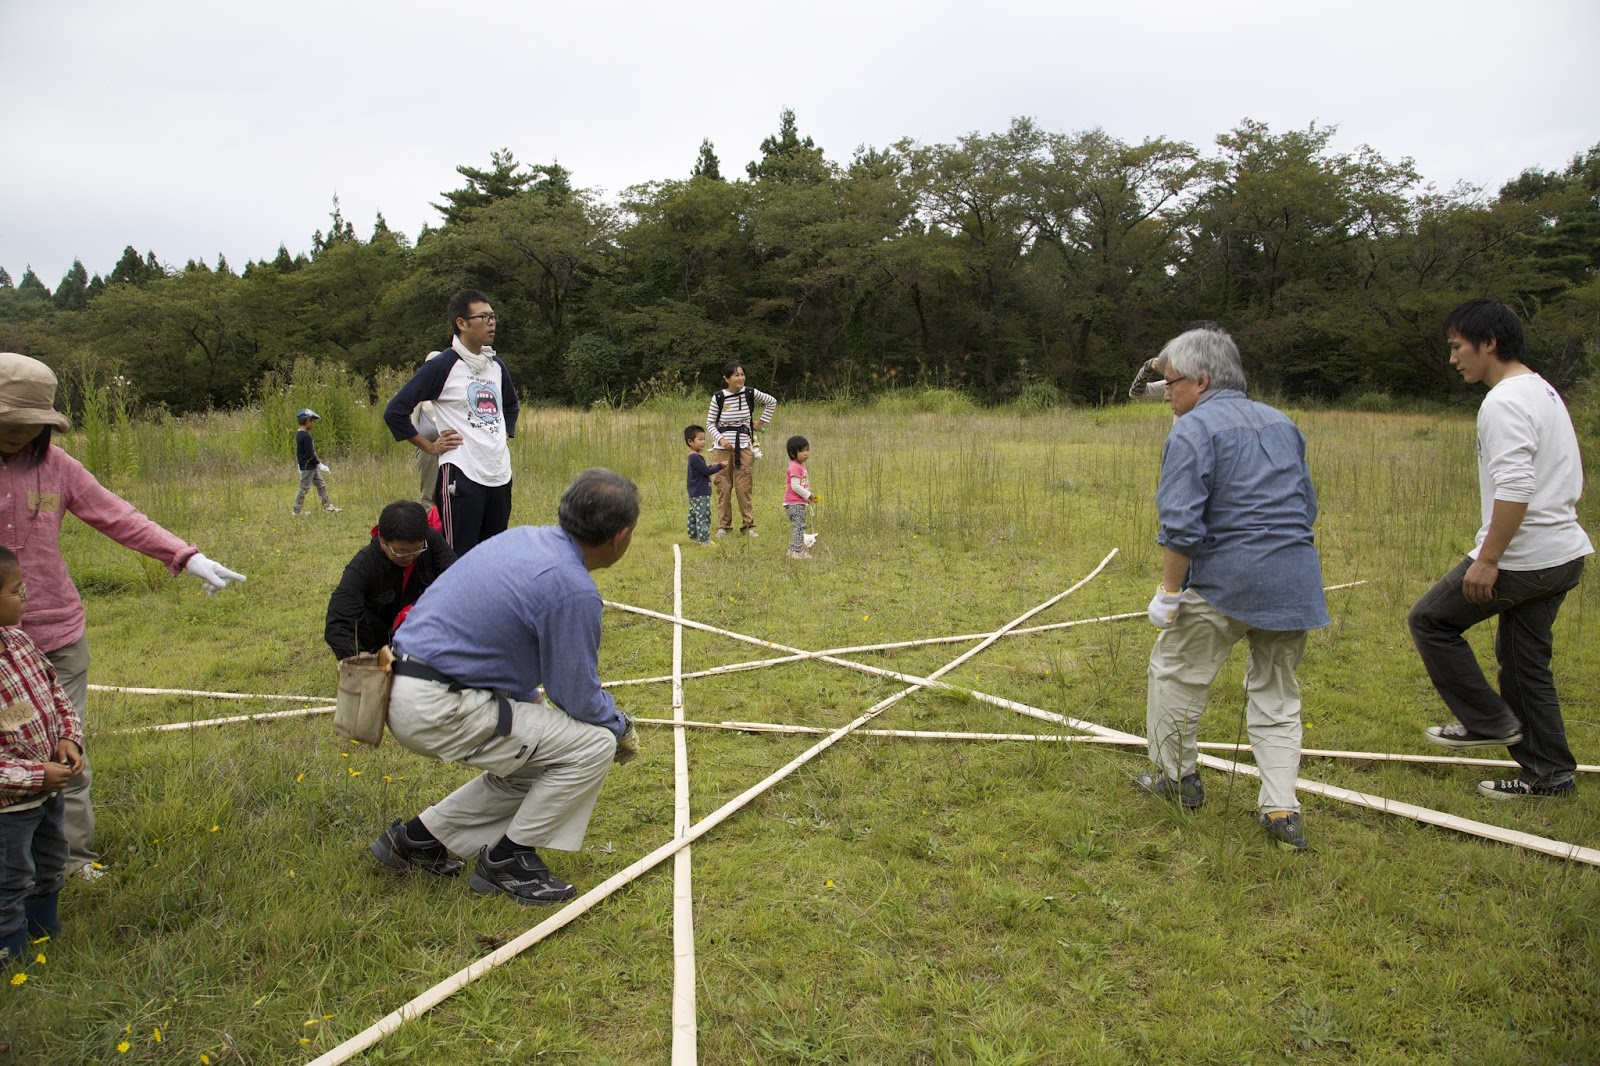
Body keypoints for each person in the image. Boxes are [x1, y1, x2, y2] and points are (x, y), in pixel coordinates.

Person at [0, 353, 244, 880]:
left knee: (67, 750)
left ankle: (70, 860)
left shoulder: (57, 466)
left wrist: (186, 556)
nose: (23, 432)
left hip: (57, 634)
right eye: (13, 421)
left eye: (33, 423)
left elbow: (117, 515)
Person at [370, 469, 642, 905]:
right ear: (621, 537)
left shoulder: (525, 539)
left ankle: (419, 840)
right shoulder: (573, 588)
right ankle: (509, 861)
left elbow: (491, 642)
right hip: (439, 704)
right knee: (593, 745)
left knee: (536, 759)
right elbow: (577, 696)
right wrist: (620, 727)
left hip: (401, 685)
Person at [1136, 327, 1329, 851]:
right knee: (1278, 692)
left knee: (1175, 672)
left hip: (1224, 580)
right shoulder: (1282, 423)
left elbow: (1181, 525)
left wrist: (1168, 594)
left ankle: (1176, 779)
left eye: (1172, 383)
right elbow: (1307, 506)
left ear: (1201, 381)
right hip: (1294, 580)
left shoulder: (1193, 430)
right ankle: (1281, 808)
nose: (1167, 395)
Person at [1408, 298, 1592, 799]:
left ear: (1488, 343)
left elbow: (1516, 487)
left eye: (1457, 347)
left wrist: (1488, 560)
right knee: (1525, 663)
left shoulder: (1505, 401)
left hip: (1527, 557)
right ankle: (1550, 775)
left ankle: (1486, 721)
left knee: (1431, 621)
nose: (1453, 358)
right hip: (1563, 554)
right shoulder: (1542, 390)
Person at [382, 290, 520, 555]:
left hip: (499, 474)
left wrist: (502, 435)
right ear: (462, 323)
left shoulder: (495, 365)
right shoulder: (443, 365)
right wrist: (430, 447)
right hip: (462, 475)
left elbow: (511, 405)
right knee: (458, 557)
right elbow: (395, 411)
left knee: (494, 554)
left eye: (493, 317)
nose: (491, 322)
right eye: (483, 317)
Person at [0, 547, 82, 967]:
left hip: (47, 794)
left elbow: (56, 694)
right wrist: (35, 776)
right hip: (8, 809)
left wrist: (68, 737)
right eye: (17, 590)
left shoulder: (19, 642)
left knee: (49, 863)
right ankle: (10, 956)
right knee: (10, 879)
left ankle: (44, 934)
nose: (25, 596)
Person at [324, 501, 456, 661]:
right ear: (382, 539)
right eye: (401, 552)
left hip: (423, 628)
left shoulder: (430, 540)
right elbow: (337, 624)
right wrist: (362, 662)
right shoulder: (363, 566)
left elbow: (456, 579)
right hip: (380, 640)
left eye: (417, 549)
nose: (410, 557)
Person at [706, 361, 776, 537]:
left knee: (744, 486)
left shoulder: (749, 393)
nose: (741, 378)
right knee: (723, 486)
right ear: (727, 378)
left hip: (744, 446)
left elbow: (771, 402)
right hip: (721, 448)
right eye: (736, 375)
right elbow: (710, 423)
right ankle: (723, 527)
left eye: (742, 374)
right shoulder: (718, 397)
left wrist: (760, 423)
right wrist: (721, 439)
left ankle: (749, 526)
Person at [291, 408, 341, 515]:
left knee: (320, 484)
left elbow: (300, 452)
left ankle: (327, 506)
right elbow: (310, 454)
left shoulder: (300, 434)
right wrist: (320, 464)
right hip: (308, 467)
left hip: (311, 466)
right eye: (312, 421)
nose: (312, 424)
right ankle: (296, 511)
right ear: (307, 421)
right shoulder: (305, 436)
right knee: (304, 488)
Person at [683, 426, 725, 547]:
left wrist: (711, 466)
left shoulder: (693, 457)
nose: (703, 442)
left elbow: (702, 470)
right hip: (701, 493)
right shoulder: (696, 457)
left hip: (694, 493)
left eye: (704, 439)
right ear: (690, 442)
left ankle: (693, 535)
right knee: (703, 515)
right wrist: (719, 466)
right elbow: (706, 472)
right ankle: (705, 540)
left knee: (694, 514)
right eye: (700, 439)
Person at [782, 435, 817, 560]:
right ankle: (797, 551)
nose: (806, 453)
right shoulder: (795, 467)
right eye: (802, 451)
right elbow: (795, 486)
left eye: (807, 450)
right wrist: (809, 495)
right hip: (794, 503)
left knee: (799, 525)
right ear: (793, 453)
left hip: (799, 502)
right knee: (799, 526)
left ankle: (793, 549)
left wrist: (807, 497)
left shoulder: (800, 465)